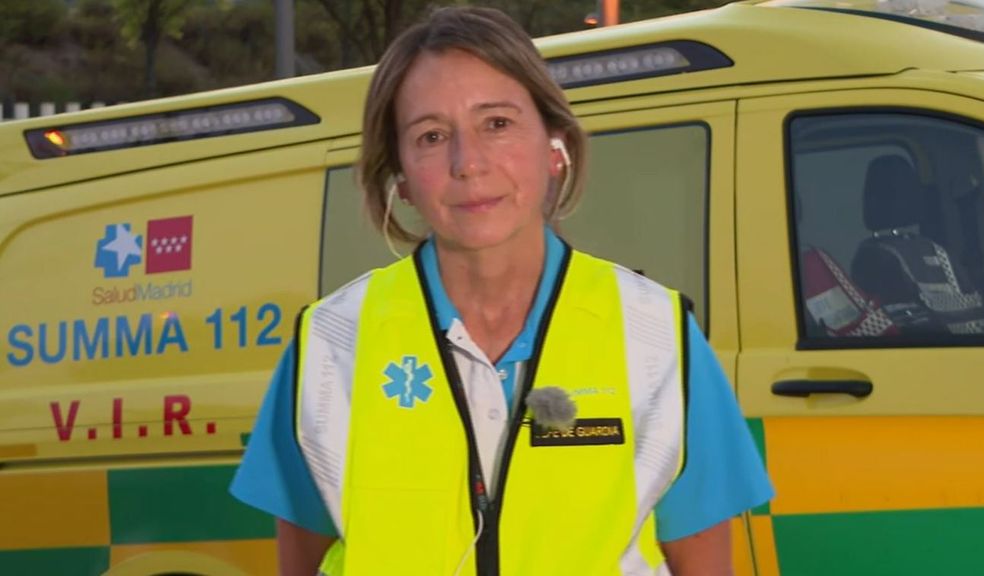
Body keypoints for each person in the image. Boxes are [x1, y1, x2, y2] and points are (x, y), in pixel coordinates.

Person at [230, 6, 772, 575]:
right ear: (402, 179)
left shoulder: (658, 335)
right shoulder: (330, 344)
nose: (468, 163)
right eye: (432, 136)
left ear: (554, 145)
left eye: (498, 123)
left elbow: (704, 564)